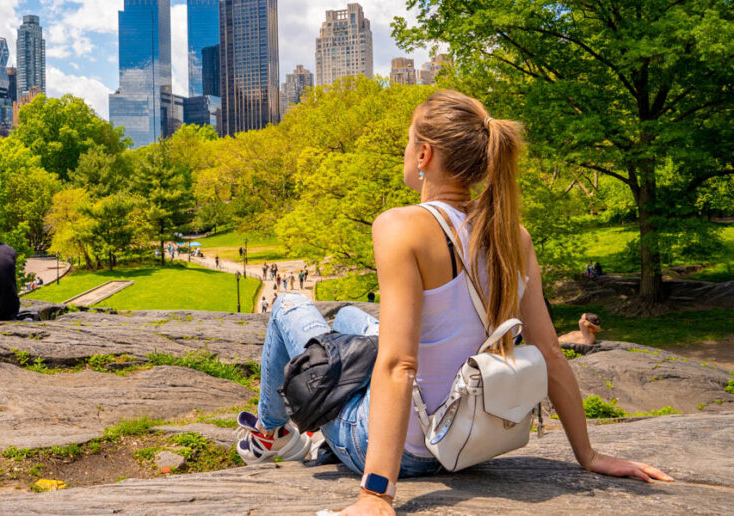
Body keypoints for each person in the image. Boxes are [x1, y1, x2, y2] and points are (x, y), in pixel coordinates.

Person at [234, 91, 670, 514]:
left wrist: (377, 494)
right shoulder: (513, 235)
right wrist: (589, 455)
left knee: (289, 303)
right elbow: (550, 351)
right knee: (350, 316)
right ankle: (300, 432)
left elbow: (399, 365)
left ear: (423, 155)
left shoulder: (400, 226)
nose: (405, 152)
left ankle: (273, 433)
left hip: (405, 452)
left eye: (407, 142)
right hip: (469, 443)